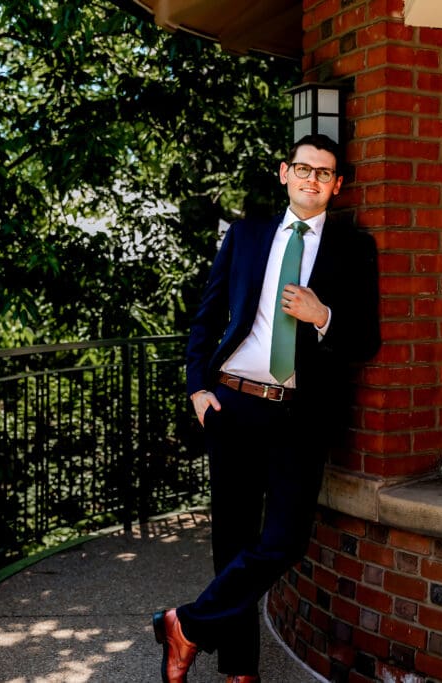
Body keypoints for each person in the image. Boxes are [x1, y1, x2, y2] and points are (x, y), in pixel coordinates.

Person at [152, 133, 381, 683]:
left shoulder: (354, 249)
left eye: (324, 174)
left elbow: (366, 341)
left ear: (337, 185)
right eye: (303, 169)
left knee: (284, 539)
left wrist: (323, 315)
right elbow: (206, 315)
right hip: (231, 404)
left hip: (297, 415)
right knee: (231, 540)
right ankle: (239, 670)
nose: (312, 180)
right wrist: (196, 389)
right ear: (285, 173)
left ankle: (186, 624)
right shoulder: (248, 235)